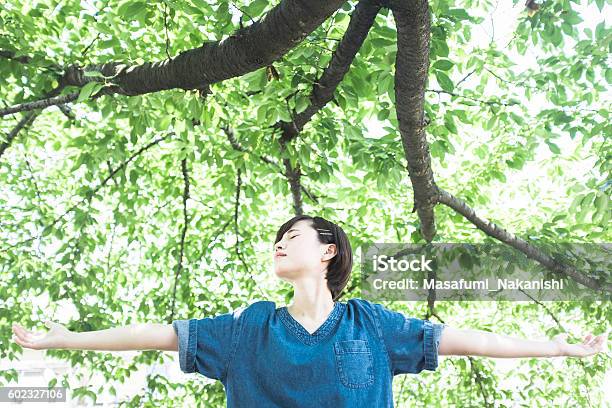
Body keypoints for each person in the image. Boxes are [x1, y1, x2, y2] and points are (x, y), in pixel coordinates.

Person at [12, 215, 607, 407]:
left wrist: (558, 347)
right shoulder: (248, 329)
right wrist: (64, 339)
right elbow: (153, 335)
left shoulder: (374, 326)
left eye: (290, 235)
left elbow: (474, 341)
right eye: (275, 238)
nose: (278, 243)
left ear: (329, 250)